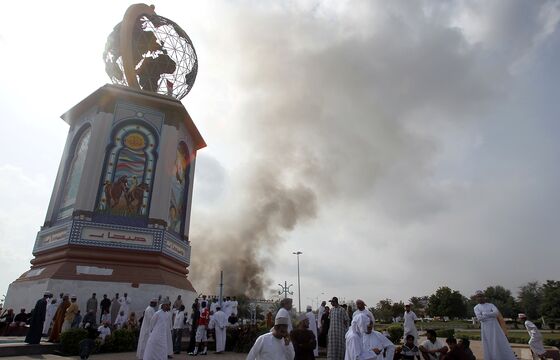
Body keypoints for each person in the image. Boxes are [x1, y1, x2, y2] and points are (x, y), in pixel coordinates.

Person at [473, 290, 516, 360]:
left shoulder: (491, 305)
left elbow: (496, 313)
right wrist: (491, 315)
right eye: (478, 297)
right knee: (490, 344)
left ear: (484, 297)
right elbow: (480, 318)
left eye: (481, 296)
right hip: (486, 329)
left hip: (495, 327)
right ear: (476, 298)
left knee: (499, 341)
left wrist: (485, 314)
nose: (480, 298)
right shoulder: (476, 307)